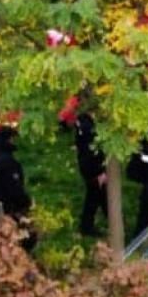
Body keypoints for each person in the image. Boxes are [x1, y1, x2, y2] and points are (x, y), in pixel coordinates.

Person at [60, 96, 108, 237]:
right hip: (92, 168)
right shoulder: (90, 128)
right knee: (95, 195)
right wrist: (100, 172)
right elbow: (93, 152)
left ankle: (109, 219)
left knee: (99, 193)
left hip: (87, 165)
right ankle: (88, 226)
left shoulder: (82, 120)